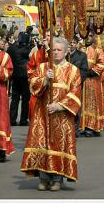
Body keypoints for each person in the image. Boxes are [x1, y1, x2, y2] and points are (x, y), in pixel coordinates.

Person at [20, 37, 82, 191]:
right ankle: (43, 177)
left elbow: (75, 92)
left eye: (59, 50)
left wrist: (60, 105)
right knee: (42, 143)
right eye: (53, 49)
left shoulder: (73, 70)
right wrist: (45, 80)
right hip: (43, 113)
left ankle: (57, 179)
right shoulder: (43, 67)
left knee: (59, 145)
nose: (55, 52)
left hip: (62, 116)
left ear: (66, 51)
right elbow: (33, 86)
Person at [80, 31, 104, 137]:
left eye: (90, 36)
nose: (88, 37)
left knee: (92, 103)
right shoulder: (80, 49)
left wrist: (92, 72)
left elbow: (102, 64)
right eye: (86, 35)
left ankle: (91, 126)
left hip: (92, 80)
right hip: (81, 80)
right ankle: (82, 125)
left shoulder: (97, 50)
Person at [7, 32, 31, 126]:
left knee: (15, 98)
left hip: (15, 75)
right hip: (24, 76)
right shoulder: (26, 49)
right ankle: (23, 119)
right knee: (25, 98)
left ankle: (12, 119)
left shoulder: (11, 48)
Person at [68, 35, 88, 137]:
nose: (71, 45)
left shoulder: (82, 56)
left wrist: (78, 82)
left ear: (76, 44)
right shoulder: (65, 55)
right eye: (70, 43)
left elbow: (84, 71)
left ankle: (75, 129)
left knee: (76, 107)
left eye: (73, 43)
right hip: (65, 86)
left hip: (77, 85)